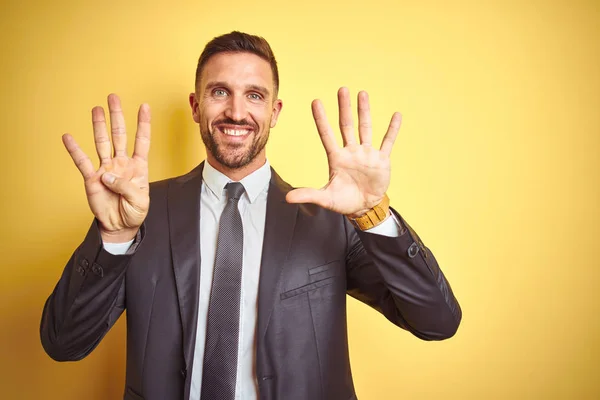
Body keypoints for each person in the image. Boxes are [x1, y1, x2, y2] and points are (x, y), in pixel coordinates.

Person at [40, 31, 461, 400]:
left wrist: (374, 212)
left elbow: (438, 321)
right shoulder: (140, 212)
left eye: (254, 96)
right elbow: (63, 343)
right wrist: (114, 238)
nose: (237, 112)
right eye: (219, 92)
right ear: (195, 105)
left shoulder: (329, 219)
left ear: (275, 112)